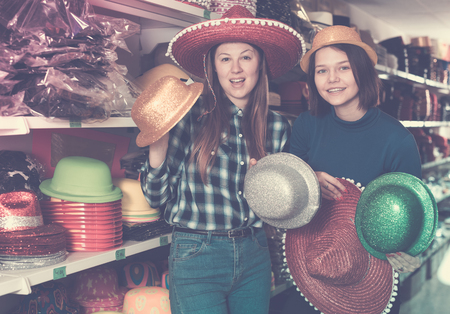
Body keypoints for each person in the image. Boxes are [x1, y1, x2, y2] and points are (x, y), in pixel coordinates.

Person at [139, 5, 305, 314]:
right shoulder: (190, 118)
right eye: (225, 59)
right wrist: (157, 145)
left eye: (246, 57)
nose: (236, 69)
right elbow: (155, 199)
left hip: (255, 253)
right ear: (213, 67)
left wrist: (268, 189)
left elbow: (282, 212)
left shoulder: (279, 128)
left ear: (261, 63)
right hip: (196, 255)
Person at [289, 25, 422, 313]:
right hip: (317, 262)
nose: (332, 79)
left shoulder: (397, 140)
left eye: (343, 68)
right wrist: (308, 180)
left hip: (370, 272)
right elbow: (287, 189)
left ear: (361, 71)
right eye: (321, 70)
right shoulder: (307, 125)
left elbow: (410, 216)